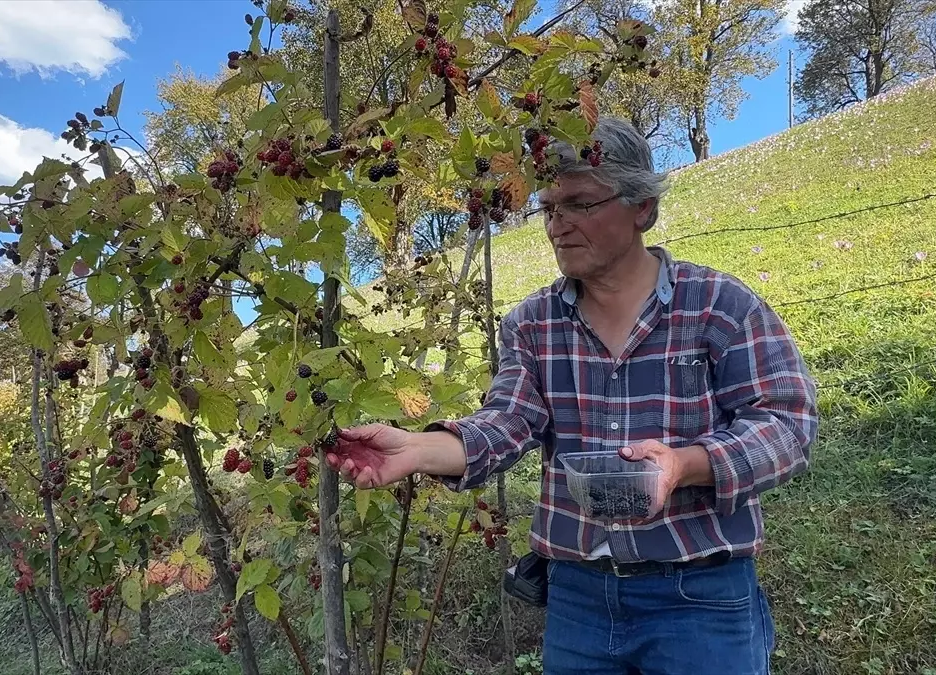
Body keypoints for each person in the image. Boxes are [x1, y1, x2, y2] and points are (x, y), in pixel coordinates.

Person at [325, 116, 819, 674]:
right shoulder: (532, 325)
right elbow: (508, 420)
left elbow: (787, 425)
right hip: (579, 600)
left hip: (700, 595)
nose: (558, 225)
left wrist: (684, 465)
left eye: (580, 203)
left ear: (642, 210)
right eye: (548, 208)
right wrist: (416, 449)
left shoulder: (719, 306)